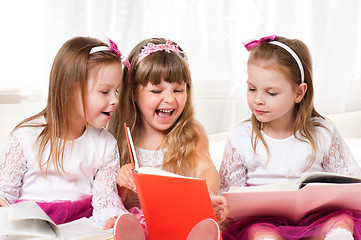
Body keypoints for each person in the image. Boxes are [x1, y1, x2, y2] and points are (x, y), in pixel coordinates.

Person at [219, 35, 361, 240]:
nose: (258, 100)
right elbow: (229, 195)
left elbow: (351, 184)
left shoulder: (322, 132)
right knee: (261, 234)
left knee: (342, 223)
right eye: (251, 89)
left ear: (299, 93)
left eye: (271, 93)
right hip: (262, 221)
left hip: (317, 218)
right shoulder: (241, 137)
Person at [0, 36, 128, 230]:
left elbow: (105, 197)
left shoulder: (105, 143)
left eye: (116, 91)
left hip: (81, 225)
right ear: (71, 90)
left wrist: (112, 218)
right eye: (104, 92)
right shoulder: (25, 137)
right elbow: (5, 191)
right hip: (31, 225)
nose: (115, 100)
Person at [107, 38, 227, 240]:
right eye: (157, 91)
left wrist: (207, 196)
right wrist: (122, 178)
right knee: (125, 225)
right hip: (139, 220)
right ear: (135, 92)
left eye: (178, 90)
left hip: (181, 217)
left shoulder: (192, 133)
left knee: (200, 226)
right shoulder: (120, 136)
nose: (170, 99)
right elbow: (110, 195)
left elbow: (206, 169)